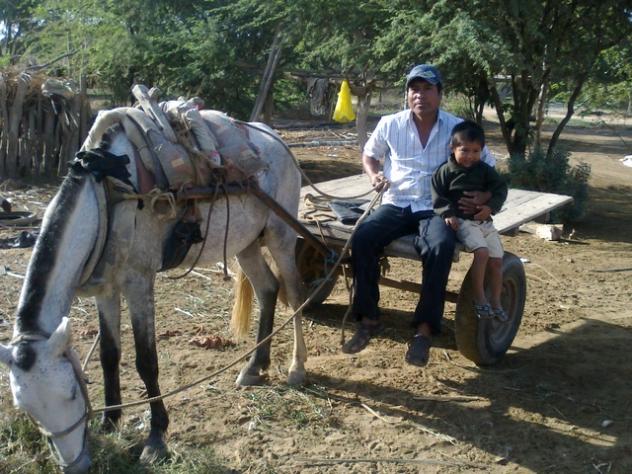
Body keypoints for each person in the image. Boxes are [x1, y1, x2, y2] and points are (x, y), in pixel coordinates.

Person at [341, 64, 495, 367]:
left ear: (439, 94)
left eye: (427, 89)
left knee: (440, 247)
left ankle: (424, 330)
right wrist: (374, 175)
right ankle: (369, 319)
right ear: (407, 94)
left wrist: (483, 196)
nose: (420, 95)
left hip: (437, 206)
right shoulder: (390, 124)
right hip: (396, 201)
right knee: (362, 237)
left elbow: (487, 164)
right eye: (414, 89)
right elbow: (370, 154)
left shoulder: (458, 128)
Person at [431, 120, 508, 321]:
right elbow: (438, 195)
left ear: (482, 151)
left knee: (497, 261)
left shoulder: (484, 170)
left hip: (485, 222)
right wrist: (448, 213)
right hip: (464, 222)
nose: (470, 156)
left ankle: (496, 300)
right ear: (453, 148)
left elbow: (500, 188)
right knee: (482, 253)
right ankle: (479, 297)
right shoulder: (445, 171)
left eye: (475, 151)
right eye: (464, 150)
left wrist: (490, 207)